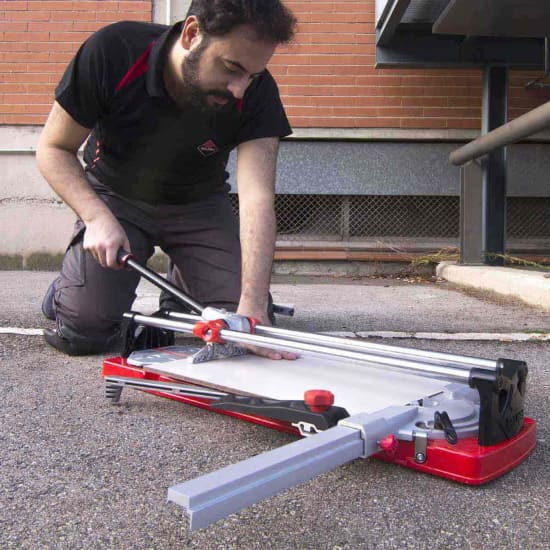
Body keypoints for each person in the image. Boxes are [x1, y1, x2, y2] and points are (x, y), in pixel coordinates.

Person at [37, 0, 297, 358]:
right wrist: (96, 218)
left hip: (200, 206)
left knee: (235, 324)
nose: (239, 89)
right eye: (231, 68)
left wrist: (252, 308)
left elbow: (257, 199)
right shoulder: (115, 51)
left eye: (251, 76)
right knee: (86, 329)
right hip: (115, 200)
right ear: (192, 34)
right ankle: (66, 292)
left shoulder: (258, 93)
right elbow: (53, 148)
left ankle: (182, 283)